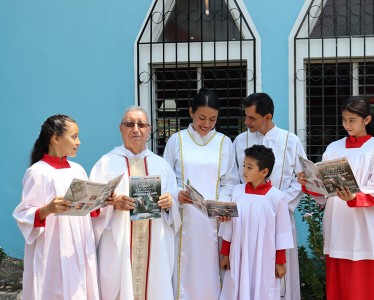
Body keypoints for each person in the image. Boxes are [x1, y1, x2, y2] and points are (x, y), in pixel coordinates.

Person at [298, 96, 374, 300]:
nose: (347, 125)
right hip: (336, 222)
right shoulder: (334, 148)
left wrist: (353, 198)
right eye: (344, 120)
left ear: (366, 120)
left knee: (363, 286)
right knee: (339, 283)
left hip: (363, 225)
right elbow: (324, 189)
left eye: (352, 120)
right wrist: (308, 182)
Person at [90, 106, 180, 300]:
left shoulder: (161, 165)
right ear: (120, 128)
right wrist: (112, 203)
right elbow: (91, 205)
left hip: (154, 243)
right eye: (129, 124)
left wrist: (170, 201)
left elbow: (175, 199)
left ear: (149, 130)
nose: (136, 129)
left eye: (141, 124)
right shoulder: (105, 163)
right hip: (118, 243)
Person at [163, 87, 240, 300]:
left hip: (213, 220)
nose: (206, 124)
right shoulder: (176, 141)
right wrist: (177, 193)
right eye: (202, 118)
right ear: (191, 112)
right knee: (184, 268)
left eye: (213, 119)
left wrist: (221, 204)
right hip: (184, 218)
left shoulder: (224, 142)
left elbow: (230, 181)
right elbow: (166, 178)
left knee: (212, 270)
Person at [13, 114, 100, 299]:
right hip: (53, 248)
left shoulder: (77, 169)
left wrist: (101, 201)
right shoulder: (38, 172)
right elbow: (23, 214)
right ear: (56, 138)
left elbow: (85, 208)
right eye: (74, 137)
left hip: (79, 246)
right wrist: (48, 209)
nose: (79, 142)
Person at [233, 92, 306, 299]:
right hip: (246, 220)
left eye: (252, 118)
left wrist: (279, 203)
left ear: (268, 117)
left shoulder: (290, 140)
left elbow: (302, 178)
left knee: (279, 272)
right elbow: (233, 178)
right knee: (247, 271)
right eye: (245, 117)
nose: (247, 122)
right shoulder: (240, 141)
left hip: (279, 217)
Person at [219, 145, 294, 300]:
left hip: (264, 256)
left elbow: (282, 233)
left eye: (250, 167)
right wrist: (225, 253)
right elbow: (229, 227)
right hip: (238, 254)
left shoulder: (277, 197)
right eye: (244, 166)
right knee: (236, 288)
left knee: (262, 288)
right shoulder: (237, 192)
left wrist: (280, 262)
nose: (244, 171)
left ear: (264, 172)